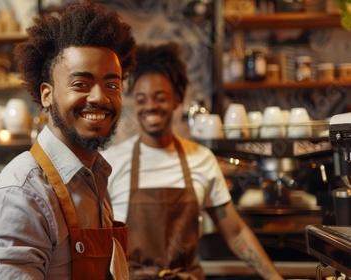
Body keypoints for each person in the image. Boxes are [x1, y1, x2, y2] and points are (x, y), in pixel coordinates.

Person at [0, 2, 137, 279]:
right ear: (47, 95)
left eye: (112, 85)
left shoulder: (94, 178)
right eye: (80, 84)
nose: (99, 97)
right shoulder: (22, 194)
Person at [101, 43, 284, 280]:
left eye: (160, 97)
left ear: (177, 100)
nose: (151, 107)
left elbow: (236, 232)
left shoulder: (201, 159)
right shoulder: (112, 161)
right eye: (142, 99)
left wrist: (275, 278)